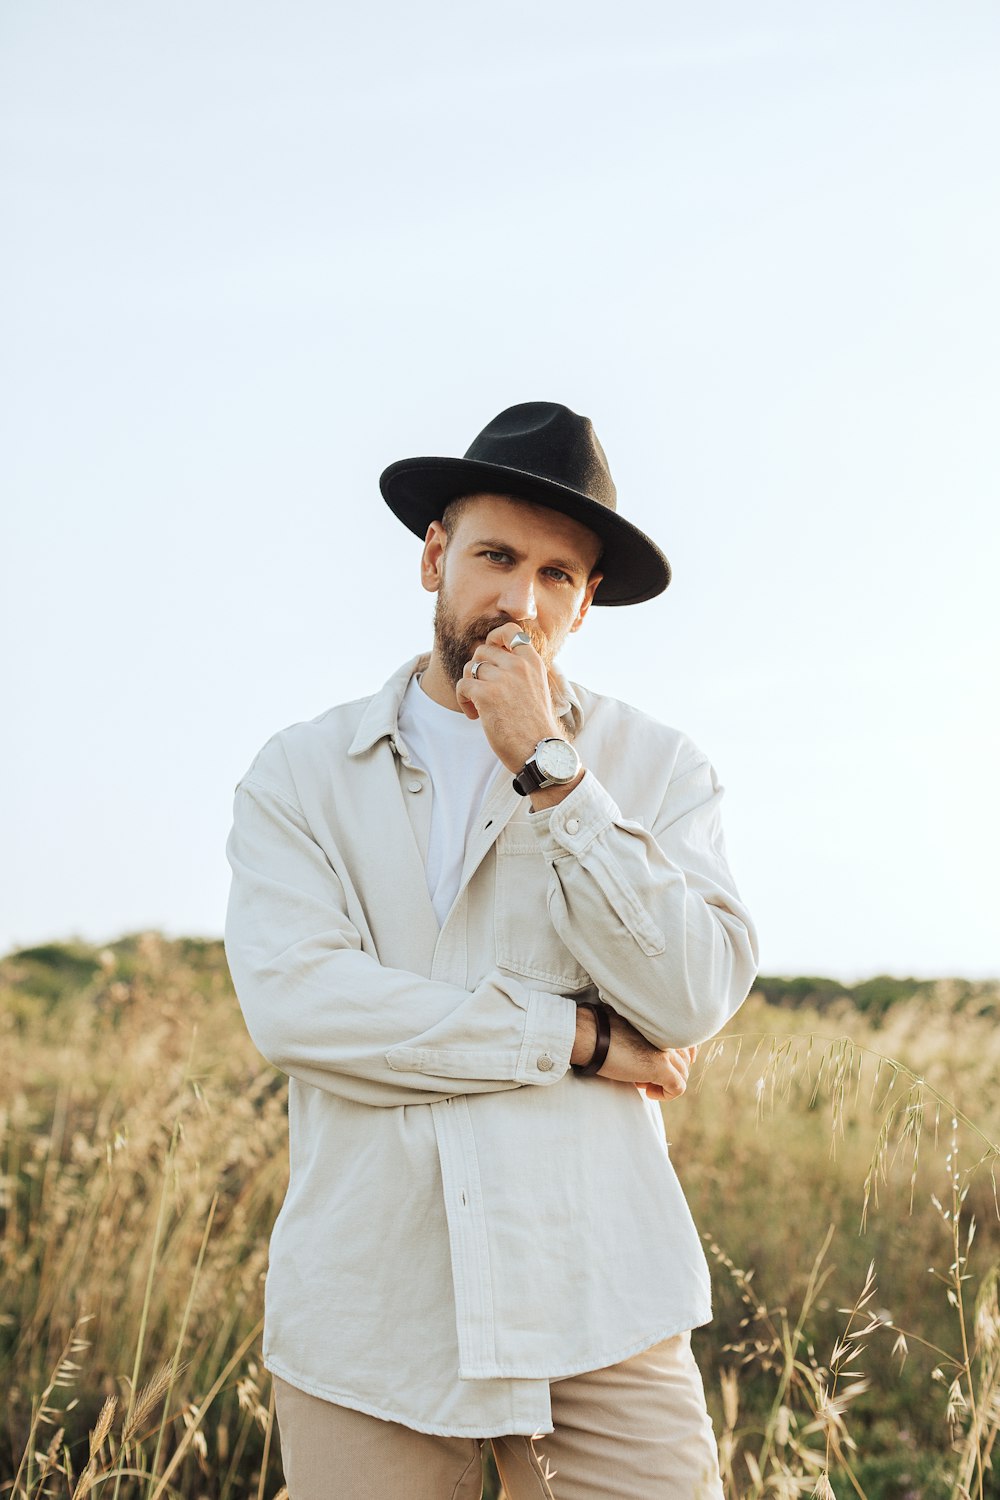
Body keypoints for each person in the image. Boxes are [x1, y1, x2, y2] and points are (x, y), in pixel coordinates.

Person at [225, 400, 758, 1500]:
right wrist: (571, 1037)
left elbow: (697, 990)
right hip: (371, 1312)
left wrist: (552, 771)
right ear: (434, 557)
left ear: (588, 599)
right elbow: (300, 1007)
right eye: (497, 556)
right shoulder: (302, 775)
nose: (520, 599)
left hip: (601, 1298)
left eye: (559, 573)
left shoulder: (654, 768)